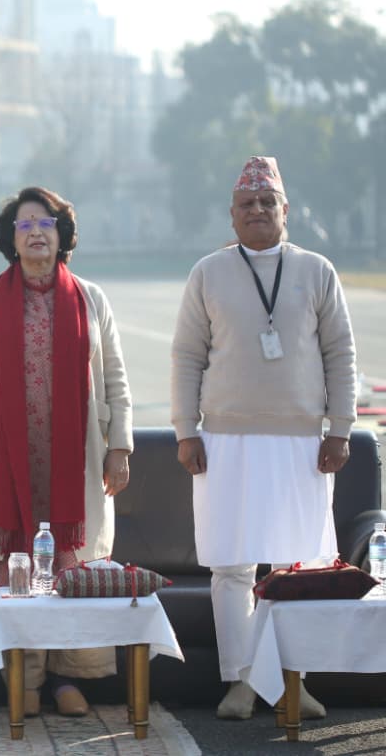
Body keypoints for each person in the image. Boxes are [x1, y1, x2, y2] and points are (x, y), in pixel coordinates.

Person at [171, 156, 354, 721]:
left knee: (298, 567)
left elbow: (340, 354)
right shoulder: (208, 273)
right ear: (231, 215)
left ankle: (292, 681)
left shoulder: (317, 270)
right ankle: (242, 681)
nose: (257, 210)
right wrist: (186, 431)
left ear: (285, 209)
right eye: (246, 204)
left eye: (267, 202)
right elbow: (187, 357)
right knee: (232, 566)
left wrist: (341, 429)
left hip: (302, 443)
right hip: (224, 440)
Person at [0, 186, 133, 719]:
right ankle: (26, 678)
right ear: (11, 239)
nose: (36, 232)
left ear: (62, 235)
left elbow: (116, 378)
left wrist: (119, 447)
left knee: (72, 572)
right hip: (8, 465)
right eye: (25, 224)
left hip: (76, 464)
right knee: (17, 574)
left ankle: (66, 678)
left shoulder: (90, 298)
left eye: (46, 222)